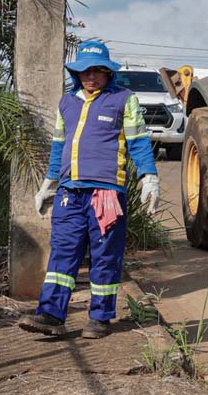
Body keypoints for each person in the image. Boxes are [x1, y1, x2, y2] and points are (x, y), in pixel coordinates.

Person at [18, 40, 160, 339]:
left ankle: (100, 317)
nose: (90, 77)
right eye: (84, 71)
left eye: (97, 71)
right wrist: (49, 182)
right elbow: (59, 147)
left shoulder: (124, 100)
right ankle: (51, 314)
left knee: (105, 255)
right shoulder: (66, 103)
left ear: (109, 73)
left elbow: (138, 142)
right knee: (62, 254)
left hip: (106, 194)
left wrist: (149, 176)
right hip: (70, 194)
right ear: (76, 73)